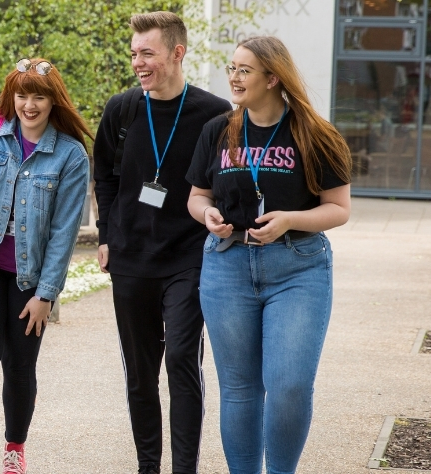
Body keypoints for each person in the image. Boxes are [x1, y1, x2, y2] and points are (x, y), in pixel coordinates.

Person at [185, 36, 352, 474]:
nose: (234, 78)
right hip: (227, 264)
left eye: (245, 70)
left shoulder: (314, 132)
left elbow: (339, 209)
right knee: (239, 388)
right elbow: (197, 196)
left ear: (273, 77)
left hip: (297, 266)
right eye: (232, 68)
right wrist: (209, 216)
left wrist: (290, 219)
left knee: (289, 387)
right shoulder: (218, 130)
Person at [92, 11, 231, 474]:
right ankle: (148, 466)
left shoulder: (214, 114)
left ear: (177, 52)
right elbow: (105, 178)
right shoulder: (122, 109)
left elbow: (223, 182)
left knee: (181, 364)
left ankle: (183, 469)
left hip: (189, 258)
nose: (138, 63)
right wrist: (107, 235)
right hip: (130, 259)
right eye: (134, 54)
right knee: (139, 372)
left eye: (147, 53)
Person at [0, 57, 91, 474]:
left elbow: (64, 233)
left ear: (53, 100)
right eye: (22, 95)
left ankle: (14, 448)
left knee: (21, 363)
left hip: (30, 276)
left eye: (38, 96)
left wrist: (47, 294)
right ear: (12, 97)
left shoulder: (71, 156)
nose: (29, 104)